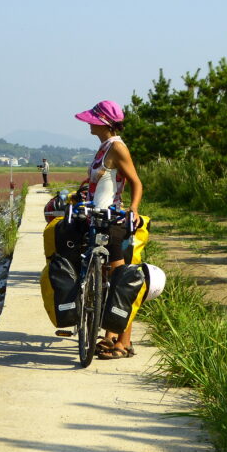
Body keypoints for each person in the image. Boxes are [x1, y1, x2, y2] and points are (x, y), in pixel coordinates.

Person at [75, 100, 143, 359]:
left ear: (102, 122)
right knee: (103, 279)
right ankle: (108, 336)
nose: (88, 123)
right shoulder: (103, 147)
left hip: (113, 221)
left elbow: (136, 182)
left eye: (92, 119)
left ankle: (123, 343)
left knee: (119, 283)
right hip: (95, 219)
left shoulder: (117, 147)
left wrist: (134, 209)